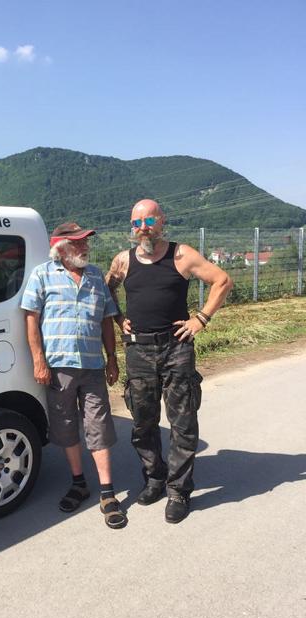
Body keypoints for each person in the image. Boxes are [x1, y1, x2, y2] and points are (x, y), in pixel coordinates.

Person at [106, 199, 233, 523]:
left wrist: (201, 319)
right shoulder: (123, 260)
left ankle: (178, 491)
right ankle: (155, 478)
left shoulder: (182, 255)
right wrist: (118, 318)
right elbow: (107, 290)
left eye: (149, 221)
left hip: (176, 349)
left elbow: (222, 281)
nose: (143, 228)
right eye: (137, 223)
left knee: (183, 424)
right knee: (143, 423)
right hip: (138, 351)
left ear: (162, 221)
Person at [21, 222, 127, 529]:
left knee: (98, 425)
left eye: (85, 242)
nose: (85, 247)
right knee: (65, 424)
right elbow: (31, 319)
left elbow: (106, 320)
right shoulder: (42, 275)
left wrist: (112, 358)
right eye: (78, 243)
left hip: (92, 365)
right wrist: (38, 361)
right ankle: (79, 483)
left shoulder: (95, 276)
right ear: (61, 248)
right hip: (58, 366)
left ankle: (107, 492)